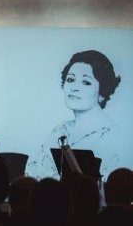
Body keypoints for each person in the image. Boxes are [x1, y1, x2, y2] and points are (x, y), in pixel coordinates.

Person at [28, 50, 123, 179]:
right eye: (71, 79)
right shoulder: (60, 130)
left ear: (102, 93)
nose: (74, 87)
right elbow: (33, 171)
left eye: (86, 82)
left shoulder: (113, 136)